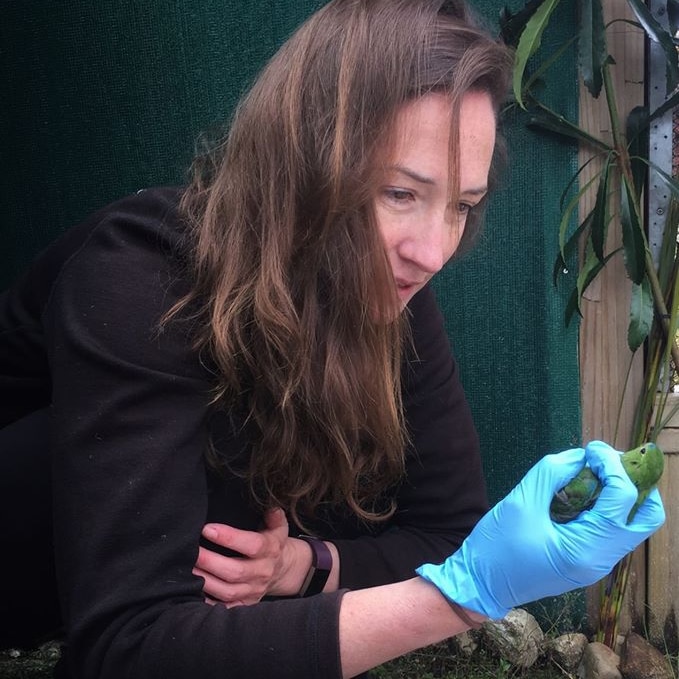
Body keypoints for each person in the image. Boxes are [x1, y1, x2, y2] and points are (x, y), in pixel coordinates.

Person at [0, 0, 665, 678]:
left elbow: (448, 527)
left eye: (460, 206)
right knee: (231, 453)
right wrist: (458, 596)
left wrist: (305, 566)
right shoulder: (138, 275)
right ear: (303, 161)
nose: (433, 251)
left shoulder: (390, 292)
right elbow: (127, 648)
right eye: (401, 193)